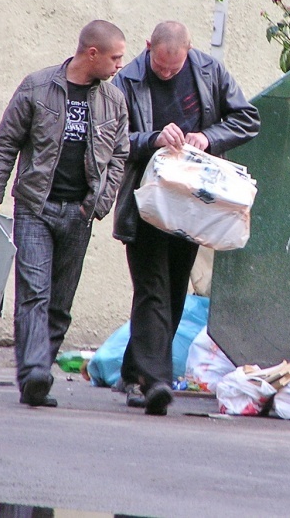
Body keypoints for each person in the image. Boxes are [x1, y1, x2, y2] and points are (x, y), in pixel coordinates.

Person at [0, 20, 130, 407]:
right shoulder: (37, 86)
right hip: (35, 207)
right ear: (91, 54)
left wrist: (97, 203)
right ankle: (34, 373)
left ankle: (38, 375)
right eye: (115, 58)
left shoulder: (113, 100)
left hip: (78, 213)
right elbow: (6, 142)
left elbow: (120, 155)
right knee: (34, 294)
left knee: (60, 304)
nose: (119, 66)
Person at [112, 20, 260, 415]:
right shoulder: (125, 81)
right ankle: (153, 380)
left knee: (174, 291)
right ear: (148, 48)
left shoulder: (210, 71)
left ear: (189, 51)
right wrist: (153, 138)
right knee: (152, 290)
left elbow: (247, 119)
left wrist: (208, 137)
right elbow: (110, 138)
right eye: (160, 68)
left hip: (194, 204)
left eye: (173, 69)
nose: (166, 73)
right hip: (146, 203)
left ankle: (132, 371)